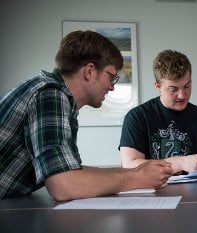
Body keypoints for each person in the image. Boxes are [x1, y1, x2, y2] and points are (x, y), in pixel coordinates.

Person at [0, 30, 173, 201]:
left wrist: (135, 172)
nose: (112, 87)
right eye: (111, 77)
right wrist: (137, 178)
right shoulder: (50, 94)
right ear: (89, 71)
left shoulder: (59, 98)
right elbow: (63, 184)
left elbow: (71, 171)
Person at [119, 49, 197, 174]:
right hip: (152, 192)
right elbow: (130, 166)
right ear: (158, 86)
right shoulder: (137, 117)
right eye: (173, 89)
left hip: (194, 192)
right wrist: (180, 162)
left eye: (187, 86)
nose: (182, 95)